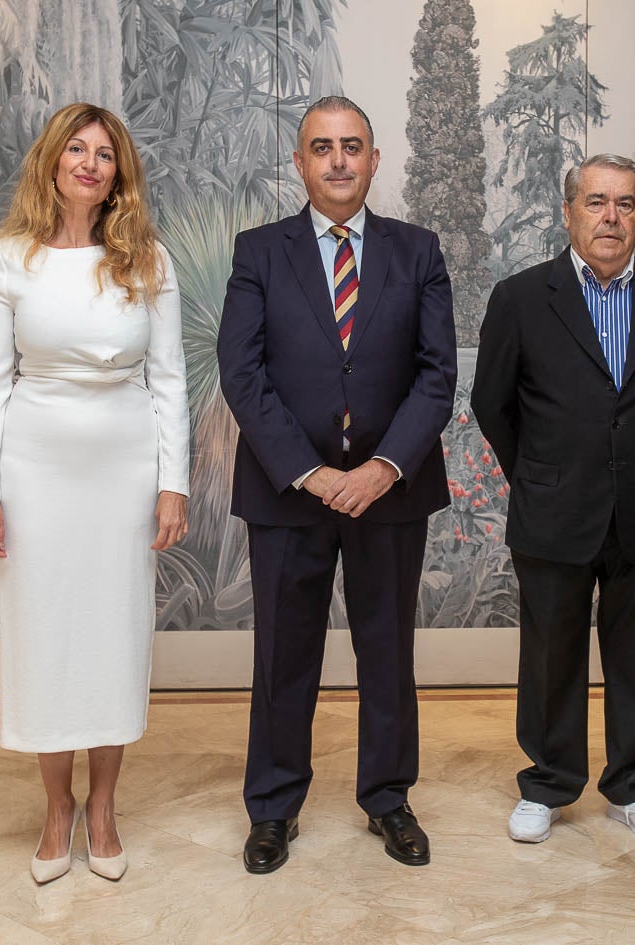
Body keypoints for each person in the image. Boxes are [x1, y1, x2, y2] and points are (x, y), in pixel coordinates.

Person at [217, 96, 456, 874]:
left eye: (353, 145)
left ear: (375, 160)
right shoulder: (259, 251)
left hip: (391, 491)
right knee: (284, 657)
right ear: (299, 162)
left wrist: (383, 468)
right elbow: (241, 372)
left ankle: (387, 798)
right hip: (289, 493)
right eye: (322, 147)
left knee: (387, 652)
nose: (339, 160)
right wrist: (313, 472)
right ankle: (273, 807)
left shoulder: (418, 251)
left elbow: (436, 374)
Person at [0, 102, 189, 884]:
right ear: (52, 163)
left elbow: (169, 379)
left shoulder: (145, 259)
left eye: (105, 154)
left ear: (117, 173)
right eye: (77, 150)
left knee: (110, 632)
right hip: (34, 471)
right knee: (44, 633)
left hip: (124, 469)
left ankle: (103, 807)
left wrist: (172, 483)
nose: (91, 163)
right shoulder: (7, 260)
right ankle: (56, 807)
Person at [472, 154, 635, 846]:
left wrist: (625, 462)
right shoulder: (519, 298)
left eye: (625, 204)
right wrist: (542, 471)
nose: (610, 216)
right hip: (551, 507)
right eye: (596, 202)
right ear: (568, 211)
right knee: (550, 653)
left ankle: (632, 785)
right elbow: (492, 402)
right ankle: (547, 783)